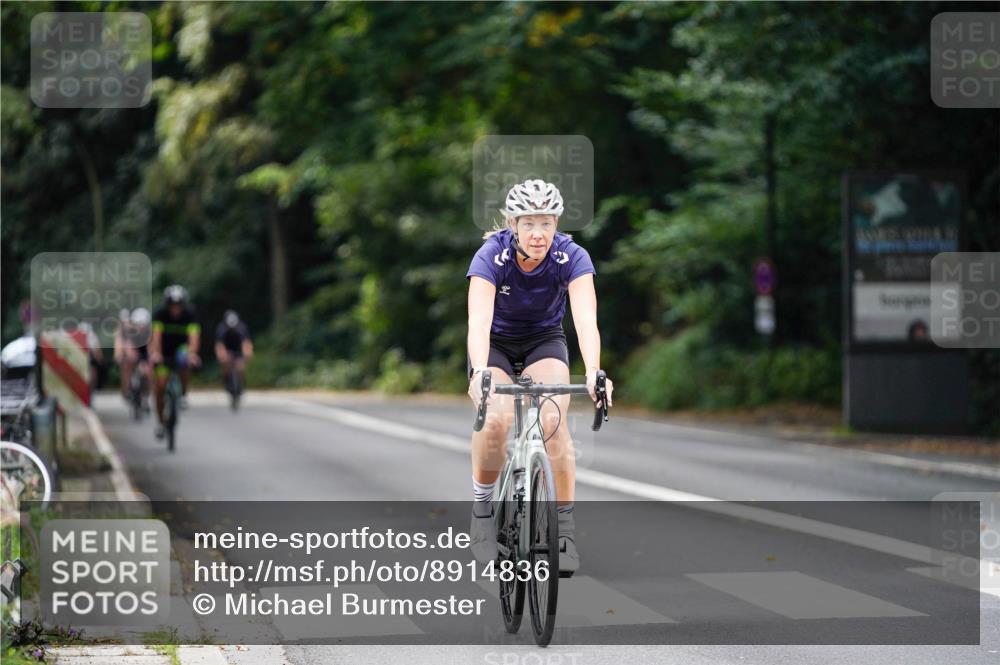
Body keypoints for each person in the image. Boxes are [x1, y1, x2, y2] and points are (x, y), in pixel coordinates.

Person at [465, 178, 613, 575]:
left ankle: (563, 532)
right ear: (512, 223)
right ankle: (482, 514)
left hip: (543, 341)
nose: (538, 233)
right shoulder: (491, 257)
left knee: (554, 423)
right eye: (529, 223)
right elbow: (478, 323)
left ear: (557, 223)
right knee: (496, 419)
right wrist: (480, 372)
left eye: (546, 223)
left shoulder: (572, 257)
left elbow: (585, 322)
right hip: (495, 344)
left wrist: (595, 371)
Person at [149, 286, 201, 438]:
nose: (175, 309)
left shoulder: (190, 315)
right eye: (172, 306)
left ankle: (183, 394)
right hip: (163, 351)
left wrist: (192, 354)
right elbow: (156, 336)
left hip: (181, 349)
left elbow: (194, 337)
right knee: (159, 386)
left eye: (179, 306)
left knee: (184, 360)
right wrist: (156, 354)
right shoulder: (160, 315)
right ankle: (160, 423)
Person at [214, 310, 253, 391]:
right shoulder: (221, 329)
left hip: (238, 348)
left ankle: (242, 384)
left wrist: (247, 354)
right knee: (225, 365)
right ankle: (226, 381)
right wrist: (222, 356)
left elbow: (246, 343)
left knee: (241, 367)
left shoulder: (242, 328)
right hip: (227, 348)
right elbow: (219, 345)